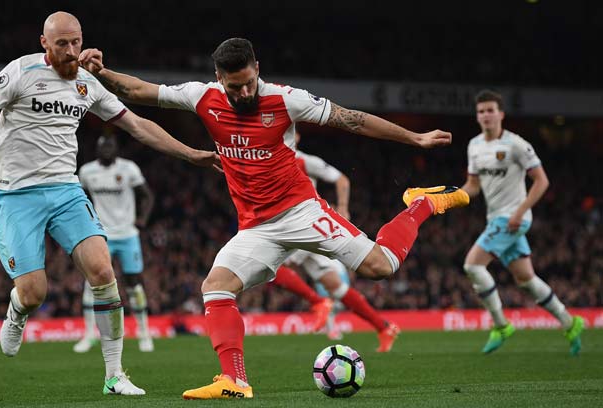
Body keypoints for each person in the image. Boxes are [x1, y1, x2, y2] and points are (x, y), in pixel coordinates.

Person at [79, 38, 469, 399]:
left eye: (249, 82)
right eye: (235, 87)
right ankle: (234, 380)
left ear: (257, 69)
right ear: (219, 79)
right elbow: (137, 92)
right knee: (216, 287)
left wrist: (413, 138)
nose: (245, 92)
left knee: (380, 267)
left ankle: (422, 204)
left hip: (301, 210)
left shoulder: (285, 99)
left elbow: (351, 119)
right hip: (256, 226)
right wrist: (102, 72)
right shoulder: (202, 97)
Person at [0, 11, 218, 396]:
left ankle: (114, 375)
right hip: (15, 194)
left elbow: (137, 125)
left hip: (65, 190)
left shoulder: (87, 83)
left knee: (102, 272)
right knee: (34, 293)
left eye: (75, 42)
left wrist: (190, 154)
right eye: (61, 43)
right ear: (44, 43)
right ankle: (17, 310)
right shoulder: (20, 72)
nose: (70, 51)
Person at [454, 89, 584, 355]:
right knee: (525, 278)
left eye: (491, 110)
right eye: (481, 111)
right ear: (477, 116)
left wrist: (520, 211)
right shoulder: (475, 146)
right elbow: (473, 186)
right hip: (497, 218)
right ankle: (570, 322)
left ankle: (501, 325)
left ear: (501, 114)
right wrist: (449, 198)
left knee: (472, 265)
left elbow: (542, 180)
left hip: (513, 218)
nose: (486, 115)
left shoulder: (516, 145)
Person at [275, 131, 400, 352]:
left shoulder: (304, 161)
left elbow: (341, 179)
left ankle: (317, 302)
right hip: (301, 227)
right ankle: (383, 327)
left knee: (268, 266)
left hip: (302, 226)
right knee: (336, 287)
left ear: (297, 137)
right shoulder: (269, 159)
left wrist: (342, 208)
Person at [74, 135, 155, 353]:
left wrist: (142, 220)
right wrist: (86, 222)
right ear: (97, 150)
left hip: (128, 234)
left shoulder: (129, 169)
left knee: (134, 285)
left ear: (117, 148)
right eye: (103, 146)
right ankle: (89, 334)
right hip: (101, 236)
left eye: (111, 145)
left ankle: (143, 332)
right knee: (92, 283)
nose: (108, 150)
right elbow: (79, 199)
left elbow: (147, 195)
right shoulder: (87, 172)